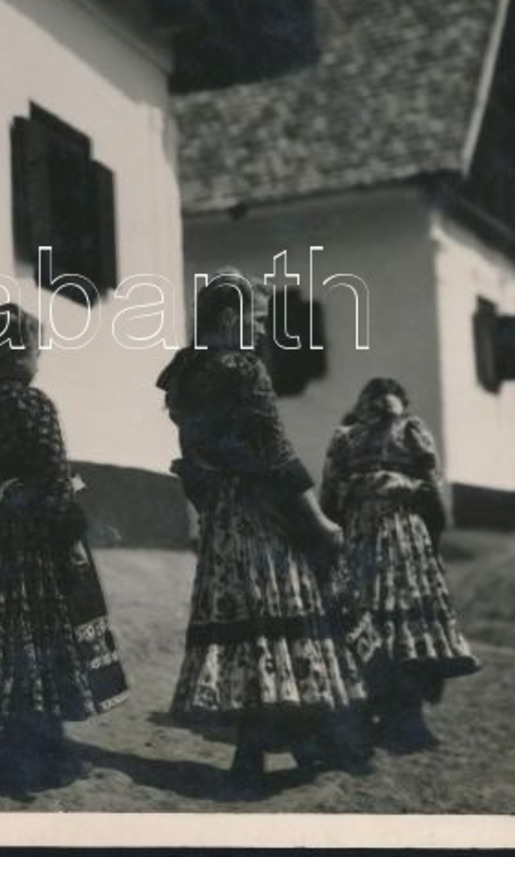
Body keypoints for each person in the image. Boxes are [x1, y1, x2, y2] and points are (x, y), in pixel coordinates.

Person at [158, 271, 370, 792]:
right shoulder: (245, 370)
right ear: (229, 318)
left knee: (245, 627)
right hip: (262, 514)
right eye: (254, 316)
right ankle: (262, 752)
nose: (260, 327)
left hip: (221, 519)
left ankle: (281, 746)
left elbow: (193, 449)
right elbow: (274, 452)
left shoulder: (187, 372)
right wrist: (317, 520)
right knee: (278, 622)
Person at [0, 303, 127, 794]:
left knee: (7, 637)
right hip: (39, 546)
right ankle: (37, 756)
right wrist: (73, 534)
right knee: (44, 639)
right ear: (21, 355)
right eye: (37, 348)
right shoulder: (35, 405)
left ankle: (29, 749)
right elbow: (53, 481)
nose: (40, 358)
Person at [320, 378, 480, 754]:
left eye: (383, 410)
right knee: (388, 620)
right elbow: (430, 491)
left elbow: (331, 497)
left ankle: (394, 712)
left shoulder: (356, 437)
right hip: (385, 537)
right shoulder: (392, 432)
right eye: (373, 409)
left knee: (381, 619)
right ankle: (390, 713)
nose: (378, 416)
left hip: (387, 537)